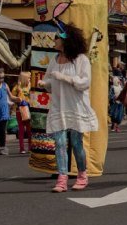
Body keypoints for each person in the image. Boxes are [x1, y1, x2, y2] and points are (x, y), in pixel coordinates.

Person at [40, 23, 98, 192]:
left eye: (57, 37)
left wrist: (65, 78)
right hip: (59, 107)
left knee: (76, 143)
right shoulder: (54, 60)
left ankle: (82, 174)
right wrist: (46, 83)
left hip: (76, 107)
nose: (55, 40)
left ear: (66, 40)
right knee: (59, 142)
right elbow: (51, 81)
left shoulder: (81, 60)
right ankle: (62, 178)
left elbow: (84, 83)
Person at [10, 71, 32, 154]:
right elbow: (11, 97)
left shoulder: (30, 87)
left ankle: (30, 147)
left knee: (29, 130)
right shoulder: (16, 88)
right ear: (24, 79)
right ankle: (22, 148)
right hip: (20, 110)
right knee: (21, 129)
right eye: (29, 78)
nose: (30, 79)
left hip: (28, 109)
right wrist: (17, 99)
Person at [0, 68, 13, 155]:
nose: (2, 79)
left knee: (2, 130)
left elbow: (11, 96)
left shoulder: (5, 85)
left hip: (4, 111)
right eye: (0, 78)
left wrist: (17, 99)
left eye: (3, 78)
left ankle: (2, 147)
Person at [108, 65, 124, 133]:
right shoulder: (112, 87)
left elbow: (123, 94)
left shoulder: (121, 87)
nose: (119, 82)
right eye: (118, 81)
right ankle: (113, 125)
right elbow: (110, 95)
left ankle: (117, 126)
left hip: (120, 103)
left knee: (119, 116)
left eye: (119, 81)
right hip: (114, 103)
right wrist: (114, 98)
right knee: (114, 115)